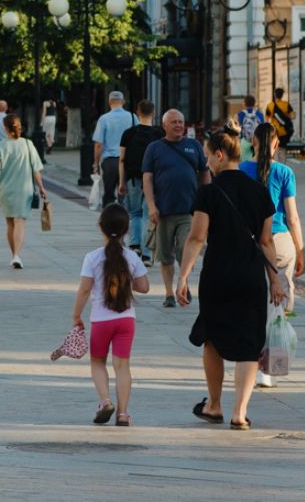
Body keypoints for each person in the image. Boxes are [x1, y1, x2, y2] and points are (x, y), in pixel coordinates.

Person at [177, 130, 285, 431]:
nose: (207, 161)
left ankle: (214, 404)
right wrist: (275, 280)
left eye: (208, 155)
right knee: (249, 344)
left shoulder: (208, 192)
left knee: (212, 337)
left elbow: (197, 237)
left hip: (218, 275)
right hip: (252, 277)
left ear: (220, 155)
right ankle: (240, 411)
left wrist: (182, 276)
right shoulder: (260, 192)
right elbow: (266, 242)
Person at [70, 204, 150, 426]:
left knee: (98, 362)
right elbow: (144, 287)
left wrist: (76, 315)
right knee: (122, 365)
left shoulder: (92, 257)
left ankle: (105, 401)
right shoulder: (132, 257)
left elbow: (85, 289)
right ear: (125, 230)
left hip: (101, 320)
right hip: (126, 320)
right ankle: (123, 414)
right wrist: (125, 280)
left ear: (100, 228)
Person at [241, 122, 305, 387]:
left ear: (253, 142)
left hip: (250, 243)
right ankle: (269, 368)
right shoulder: (284, 172)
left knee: (254, 304)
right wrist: (300, 250)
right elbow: (292, 217)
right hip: (280, 243)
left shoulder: (241, 170)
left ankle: (252, 363)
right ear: (277, 144)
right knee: (277, 304)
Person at [142, 109, 210, 307]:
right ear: (164, 125)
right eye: (174, 122)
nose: (179, 125)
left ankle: (183, 285)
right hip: (162, 212)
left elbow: (205, 172)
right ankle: (169, 294)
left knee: (184, 250)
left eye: (181, 121)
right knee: (165, 256)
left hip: (189, 211)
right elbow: (147, 179)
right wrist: (151, 205)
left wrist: (205, 198)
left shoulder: (193, 145)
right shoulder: (154, 148)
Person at [0, 114, 47, 269]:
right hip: (24, 189)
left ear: (5, 128)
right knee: (19, 221)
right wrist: (41, 188)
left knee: (9, 223)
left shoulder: (0, 146)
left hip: (6, 190)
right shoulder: (28, 145)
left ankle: (13, 254)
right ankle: (16, 255)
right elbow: (36, 170)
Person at [117, 99, 163, 266]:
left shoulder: (128, 134)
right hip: (154, 179)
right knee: (148, 215)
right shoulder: (159, 134)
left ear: (137, 112)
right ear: (154, 113)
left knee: (135, 213)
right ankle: (146, 253)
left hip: (133, 178)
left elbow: (122, 159)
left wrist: (121, 181)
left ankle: (135, 244)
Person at [92, 91, 136, 208]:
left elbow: (98, 144)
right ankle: (125, 217)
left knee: (109, 194)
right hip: (128, 161)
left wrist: (96, 163)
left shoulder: (104, 119)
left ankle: (109, 218)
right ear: (123, 102)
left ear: (109, 102)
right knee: (125, 193)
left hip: (109, 161)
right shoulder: (132, 117)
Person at [265, 88, 295, 155]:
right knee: (283, 148)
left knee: (274, 148)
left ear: (274, 95)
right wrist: (286, 116)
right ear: (282, 95)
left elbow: (266, 118)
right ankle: (282, 164)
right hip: (284, 131)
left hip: (274, 130)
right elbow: (293, 116)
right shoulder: (286, 104)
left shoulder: (270, 105)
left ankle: (275, 163)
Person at [237, 95, 263, 160]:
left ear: (245, 103)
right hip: (257, 141)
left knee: (245, 161)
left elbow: (238, 129)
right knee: (257, 160)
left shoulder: (240, 114)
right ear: (254, 103)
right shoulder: (260, 114)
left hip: (245, 142)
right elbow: (263, 127)